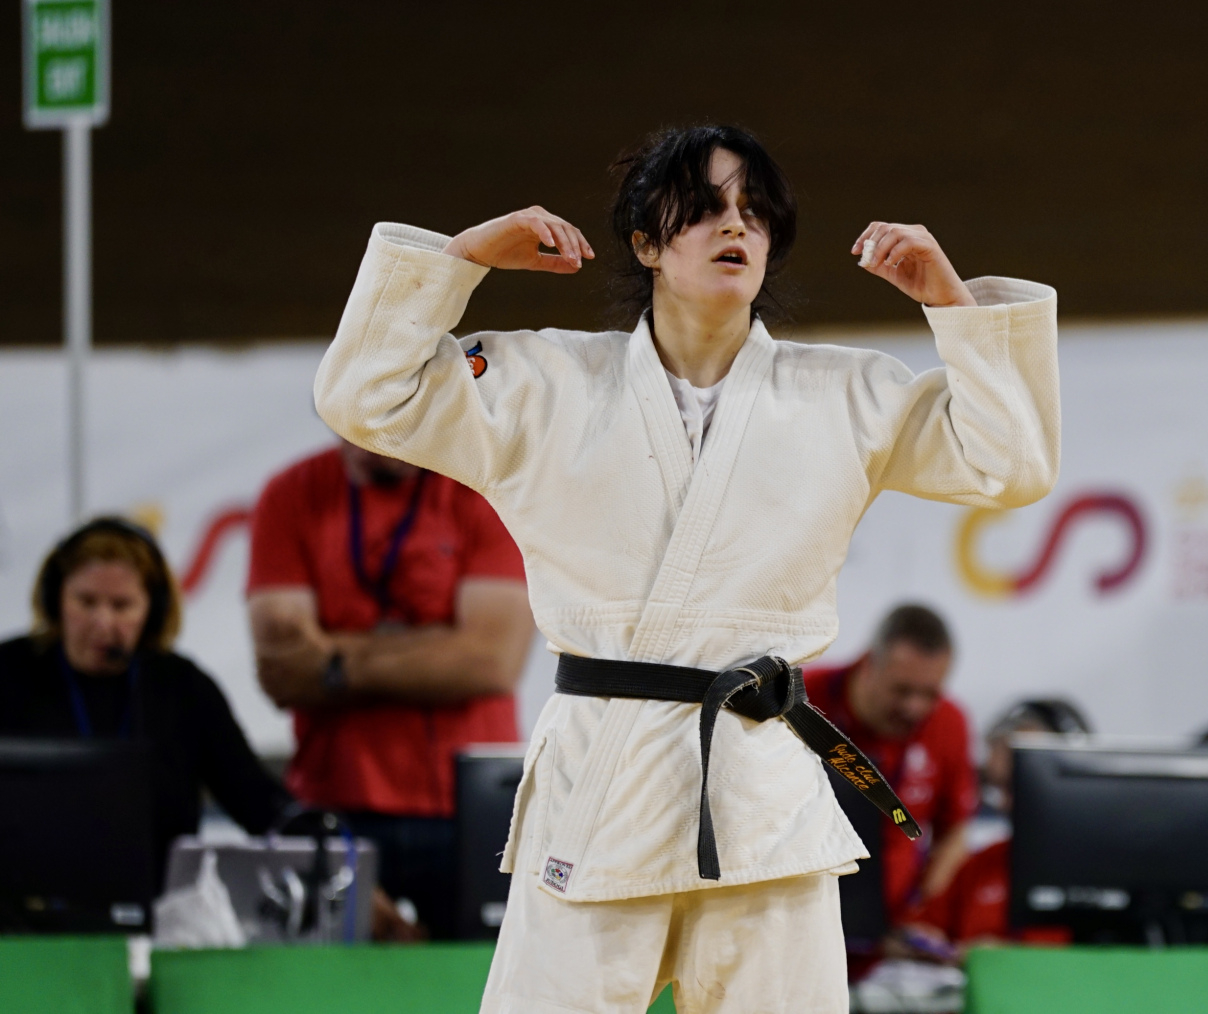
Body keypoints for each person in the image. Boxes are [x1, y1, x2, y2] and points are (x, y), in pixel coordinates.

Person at [310, 124, 1058, 1014]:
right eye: (703, 209)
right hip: (599, 785)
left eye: (754, 211)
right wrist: (463, 259)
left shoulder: (847, 394)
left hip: (762, 800)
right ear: (646, 243)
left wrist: (952, 305)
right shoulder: (547, 381)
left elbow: (1010, 466)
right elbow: (365, 398)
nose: (734, 225)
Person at [245, 438, 537, 938]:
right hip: (336, 805)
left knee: (480, 978)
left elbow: (490, 662)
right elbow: (283, 669)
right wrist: (438, 648)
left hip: (467, 807)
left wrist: (333, 661)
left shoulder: (485, 488)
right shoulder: (291, 492)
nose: (377, 439)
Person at [0, 518, 290, 886]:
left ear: (152, 611)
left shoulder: (182, 687)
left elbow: (257, 800)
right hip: (24, 905)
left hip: (158, 904)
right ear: (55, 599)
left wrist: (326, 844)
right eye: (86, 602)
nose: (102, 623)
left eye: (121, 606)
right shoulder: (9, 673)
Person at [803, 604, 980, 968]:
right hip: (799, 922)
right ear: (869, 665)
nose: (915, 707)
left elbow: (954, 831)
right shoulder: (801, 700)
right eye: (902, 690)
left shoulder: (949, 722)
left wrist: (924, 910)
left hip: (890, 945)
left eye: (930, 693)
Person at [919, 698, 1090, 950]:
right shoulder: (983, 863)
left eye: (1015, 786)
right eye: (997, 787)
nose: (1003, 804)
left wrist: (999, 959)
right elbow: (920, 928)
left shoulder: (1101, 874)